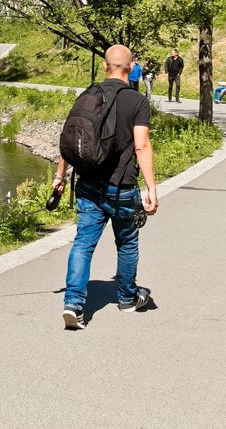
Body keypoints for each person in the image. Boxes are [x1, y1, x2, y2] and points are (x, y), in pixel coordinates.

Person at [53, 44, 157, 330]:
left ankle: (73, 304)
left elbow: (69, 139)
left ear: (104, 66)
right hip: (122, 186)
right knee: (127, 241)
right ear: (132, 67)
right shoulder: (137, 101)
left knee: (83, 244)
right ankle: (126, 298)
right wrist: (151, 188)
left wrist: (59, 177)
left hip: (87, 183)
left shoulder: (88, 95)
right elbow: (141, 145)